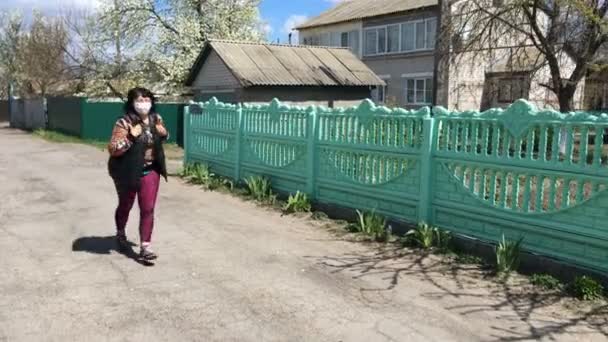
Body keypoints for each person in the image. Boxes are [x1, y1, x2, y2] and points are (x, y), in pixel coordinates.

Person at [107, 87, 169, 261]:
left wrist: (164, 134)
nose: (144, 104)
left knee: (148, 209)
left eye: (147, 100)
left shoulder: (156, 119)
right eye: (140, 100)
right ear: (132, 103)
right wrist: (130, 138)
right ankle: (120, 233)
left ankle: (145, 248)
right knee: (126, 204)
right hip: (126, 171)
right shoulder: (124, 122)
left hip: (150, 169)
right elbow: (113, 149)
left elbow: (161, 137)